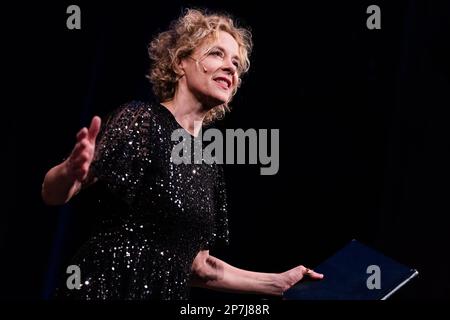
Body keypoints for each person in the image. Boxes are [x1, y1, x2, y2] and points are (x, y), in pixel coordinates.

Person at [41, 8, 323, 300]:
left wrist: (278, 282)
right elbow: (54, 192)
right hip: (107, 288)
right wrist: (70, 172)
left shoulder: (208, 162)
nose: (231, 68)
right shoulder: (143, 120)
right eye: (217, 54)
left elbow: (201, 267)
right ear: (179, 63)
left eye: (236, 63)